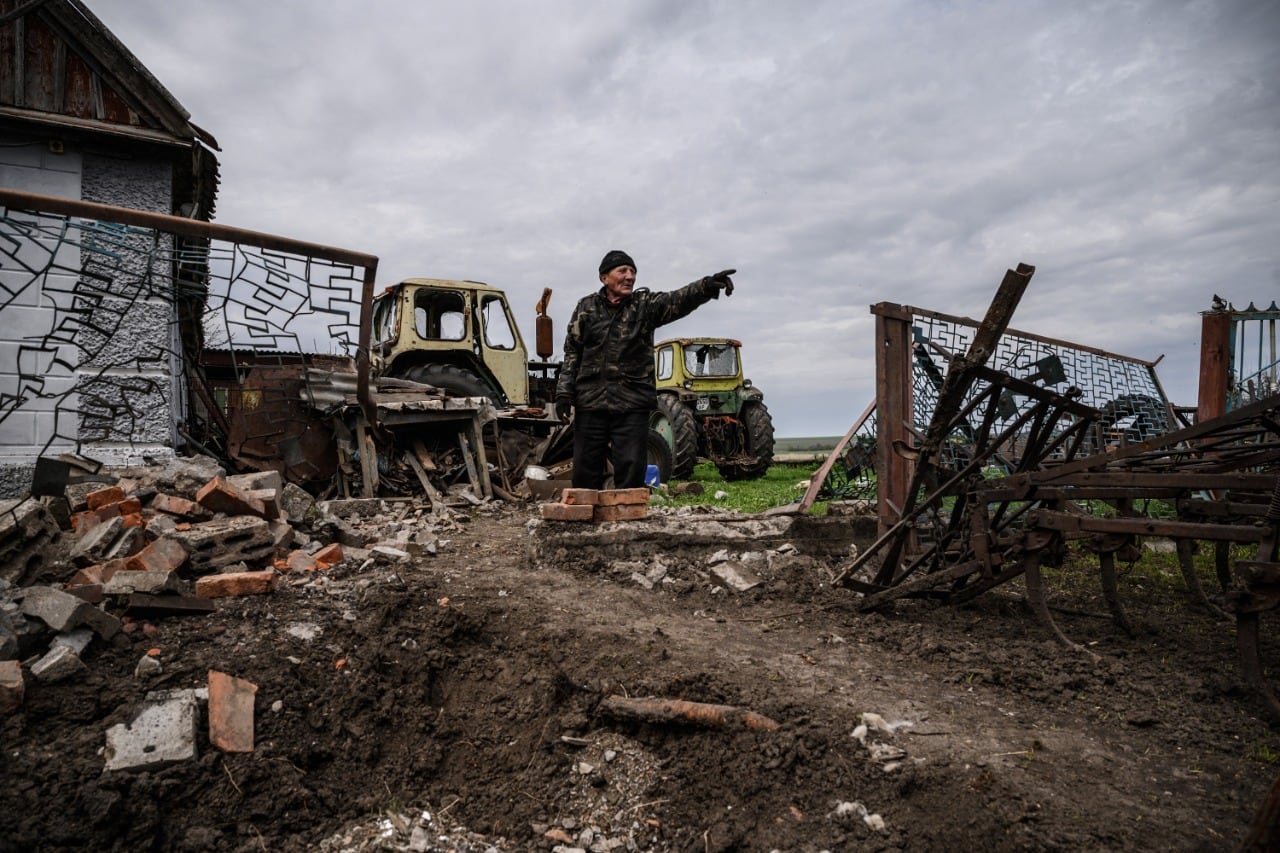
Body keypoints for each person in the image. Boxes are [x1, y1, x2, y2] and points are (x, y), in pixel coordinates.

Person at [556, 249, 735, 489]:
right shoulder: (586, 307)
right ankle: (586, 522)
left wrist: (707, 286)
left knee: (631, 471)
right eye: (623, 271)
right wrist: (564, 392)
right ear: (604, 277)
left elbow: (678, 300)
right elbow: (572, 351)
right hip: (591, 401)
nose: (630, 276)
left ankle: (627, 520)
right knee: (586, 471)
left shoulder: (645, 305)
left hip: (632, 402)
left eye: (633, 271)